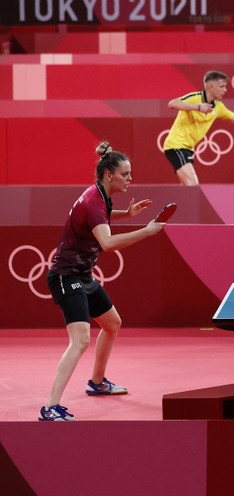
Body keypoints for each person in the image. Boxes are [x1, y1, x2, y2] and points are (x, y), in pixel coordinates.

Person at [40, 141, 166, 421]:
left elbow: (100, 218)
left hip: (83, 275)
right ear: (109, 175)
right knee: (80, 339)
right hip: (65, 276)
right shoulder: (95, 199)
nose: (130, 179)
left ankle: (97, 383)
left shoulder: (100, 193)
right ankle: (50, 407)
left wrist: (128, 214)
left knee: (112, 323)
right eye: (125, 174)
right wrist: (146, 231)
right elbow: (107, 243)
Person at [163, 70, 234, 186]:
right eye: (222, 86)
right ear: (211, 87)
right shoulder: (195, 98)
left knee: (185, 186)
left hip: (188, 148)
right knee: (193, 184)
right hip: (176, 145)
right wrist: (197, 107)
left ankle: (177, 204)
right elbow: (172, 104)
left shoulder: (219, 107)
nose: (225, 90)